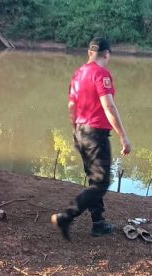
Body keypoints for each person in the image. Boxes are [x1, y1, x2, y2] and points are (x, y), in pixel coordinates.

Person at [51, 37, 131, 240]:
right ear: (107, 54)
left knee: (94, 180)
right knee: (101, 184)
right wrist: (123, 136)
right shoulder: (102, 74)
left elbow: (71, 106)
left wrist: (76, 130)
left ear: (89, 52)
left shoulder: (78, 74)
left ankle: (98, 223)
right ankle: (66, 216)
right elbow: (109, 106)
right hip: (96, 135)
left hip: (80, 131)